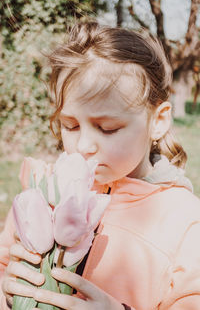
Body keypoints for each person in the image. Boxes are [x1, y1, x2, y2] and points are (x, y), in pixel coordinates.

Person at [1, 20, 200, 310]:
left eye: (107, 128)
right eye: (70, 125)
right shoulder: (44, 191)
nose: (83, 146)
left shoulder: (185, 221)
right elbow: (5, 261)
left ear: (158, 121)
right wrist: (9, 291)